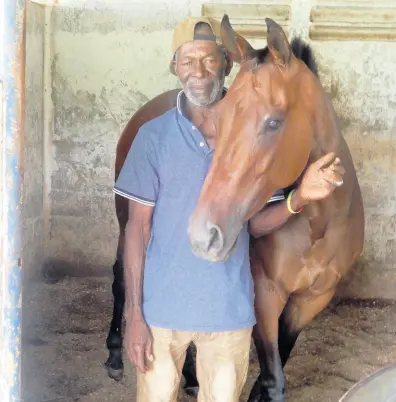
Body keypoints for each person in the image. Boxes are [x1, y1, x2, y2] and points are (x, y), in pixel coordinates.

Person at [113, 16, 345, 402]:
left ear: (225, 62)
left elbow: (254, 226)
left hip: (227, 316)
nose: (199, 72)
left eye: (208, 59)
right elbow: (136, 229)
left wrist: (300, 195)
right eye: (188, 61)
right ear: (174, 67)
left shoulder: (253, 136)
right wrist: (134, 314)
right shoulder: (152, 138)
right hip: (162, 316)